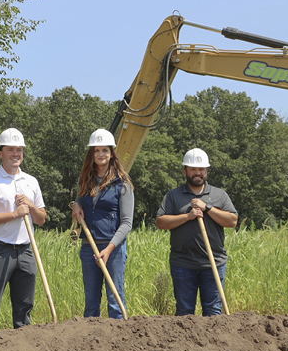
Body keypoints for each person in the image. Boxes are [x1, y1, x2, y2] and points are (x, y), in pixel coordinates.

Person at [0, 128, 47, 330]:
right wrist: (15, 214)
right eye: (10, 150)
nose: (16, 154)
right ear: (0, 153)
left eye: (19, 150)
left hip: (26, 249)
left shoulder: (31, 181)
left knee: (25, 306)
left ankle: (23, 345)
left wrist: (30, 206)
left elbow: (41, 219)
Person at [154, 148, 239, 316]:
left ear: (206, 171)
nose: (197, 173)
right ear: (185, 171)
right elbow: (161, 222)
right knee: (185, 313)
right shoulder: (173, 195)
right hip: (183, 264)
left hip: (214, 263)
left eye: (201, 169)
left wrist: (207, 207)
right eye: (193, 169)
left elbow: (232, 221)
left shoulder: (219, 195)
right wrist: (187, 216)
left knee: (214, 312)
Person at [71, 129, 135, 319]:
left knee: (115, 301)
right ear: (91, 154)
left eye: (105, 150)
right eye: (96, 150)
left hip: (113, 249)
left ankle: (119, 341)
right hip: (88, 246)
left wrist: (108, 249)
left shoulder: (123, 184)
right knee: (91, 303)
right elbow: (79, 201)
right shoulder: (85, 180)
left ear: (111, 153)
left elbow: (126, 223)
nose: (101, 154)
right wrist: (76, 205)